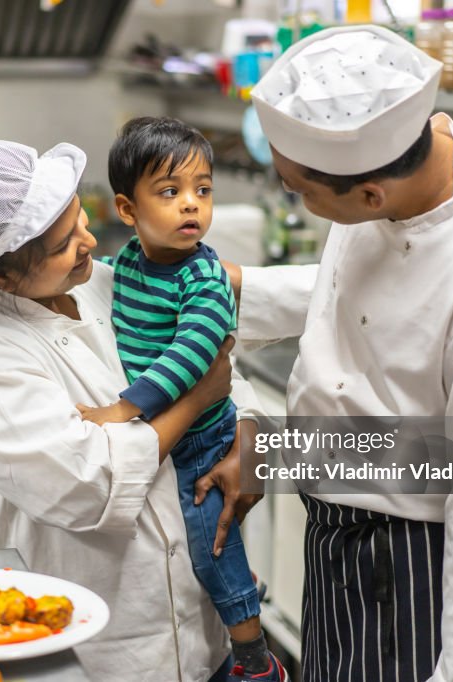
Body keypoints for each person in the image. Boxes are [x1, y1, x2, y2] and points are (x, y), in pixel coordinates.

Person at [225, 25, 453, 681]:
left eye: (299, 189)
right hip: (337, 540)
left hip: (413, 568)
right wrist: (231, 290)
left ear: (370, 197)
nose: (296, 196)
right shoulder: (403, 169)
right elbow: (375, 296)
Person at [0, 139, 265, 682]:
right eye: (64, 243)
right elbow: (94, 481)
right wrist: (196, 402)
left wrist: (250, 443)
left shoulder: (94, 282)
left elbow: (212, 362)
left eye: (81, 221)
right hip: (89, 652)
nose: (90, 242)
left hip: (195, 635)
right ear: (0, 275)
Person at [76, 117, 285, 682]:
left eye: (202, 189)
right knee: (199, 551)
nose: (191, 204)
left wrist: (125, 409)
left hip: (203, 440)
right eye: (170, 192)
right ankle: (239, 597)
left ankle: (254, 657)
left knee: (212, 549)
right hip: (169, 435)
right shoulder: (128, 264)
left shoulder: (205, 278)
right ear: (127, 209)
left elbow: (191, 357)